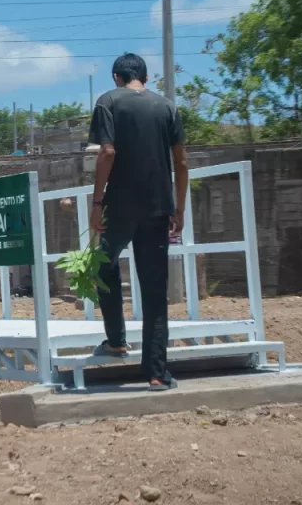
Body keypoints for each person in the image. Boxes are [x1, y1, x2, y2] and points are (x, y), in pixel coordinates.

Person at [86, 52, 189, 391]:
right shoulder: (168, 107)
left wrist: (97, 200)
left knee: (103, 264)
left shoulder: (108, 102)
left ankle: (116, 340)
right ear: (143, 77)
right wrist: (179, 209)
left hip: (120, 207)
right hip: (159, 207)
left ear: (117, 76)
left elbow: (107, 152)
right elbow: (182, 163)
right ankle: (158, 373)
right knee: (155, 292)